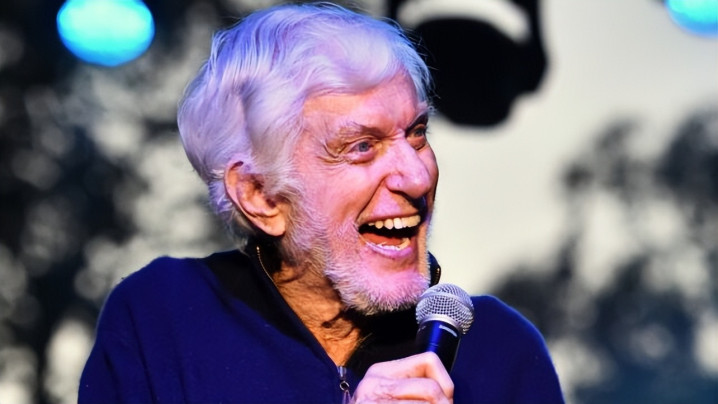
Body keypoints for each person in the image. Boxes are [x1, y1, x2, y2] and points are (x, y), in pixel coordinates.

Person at [78, 2, 564, 403]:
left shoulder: (501, 353)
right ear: (260, 196)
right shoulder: (162, 319)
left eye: (417, 134)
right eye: (362, 147)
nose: (418, 177)